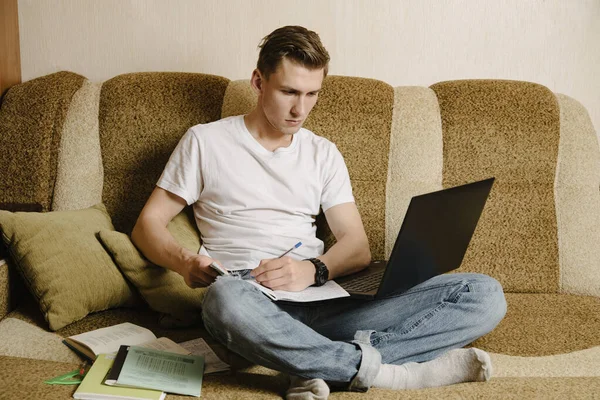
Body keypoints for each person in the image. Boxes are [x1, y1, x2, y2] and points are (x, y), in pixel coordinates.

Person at [132, 25, 507, 398]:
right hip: (251, 300)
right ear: (258, 82)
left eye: (312, 94)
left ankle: (311, 363)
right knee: (222, 300)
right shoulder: (206, 141)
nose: (301, 108)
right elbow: (148, 224)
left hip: (323, 298)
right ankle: (392, 374)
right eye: (289, 92)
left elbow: (356, 246)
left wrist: (312, 270)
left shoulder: (322, 153)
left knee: (483, 293)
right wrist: (184, 263)